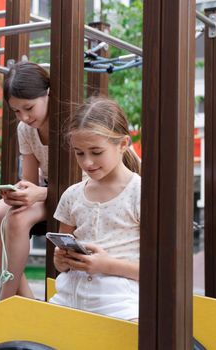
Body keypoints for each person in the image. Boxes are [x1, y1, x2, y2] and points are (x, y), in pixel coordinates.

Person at [49, 96, 142, 321]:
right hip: (68, 297)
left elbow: (159, 269)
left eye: (96, 152)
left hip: (120, 302)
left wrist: (106, 265)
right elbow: (61, 257)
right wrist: (60, 261)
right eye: (79, 153)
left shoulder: (140, 192)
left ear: (122, 144)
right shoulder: (72, 195)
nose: (87, 162)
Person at [0, 61, 50, 300]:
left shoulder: (70, 122)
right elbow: (30, 178)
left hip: (75, 192)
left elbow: (80, 185)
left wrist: (38, 193)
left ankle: (6, 297)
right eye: (17, 111)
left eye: (28, 108)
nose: (25, 117)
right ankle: (25, 297)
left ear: (47, 93)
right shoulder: (25, 129)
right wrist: (18, 191)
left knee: (17, 220)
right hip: (46, 189)